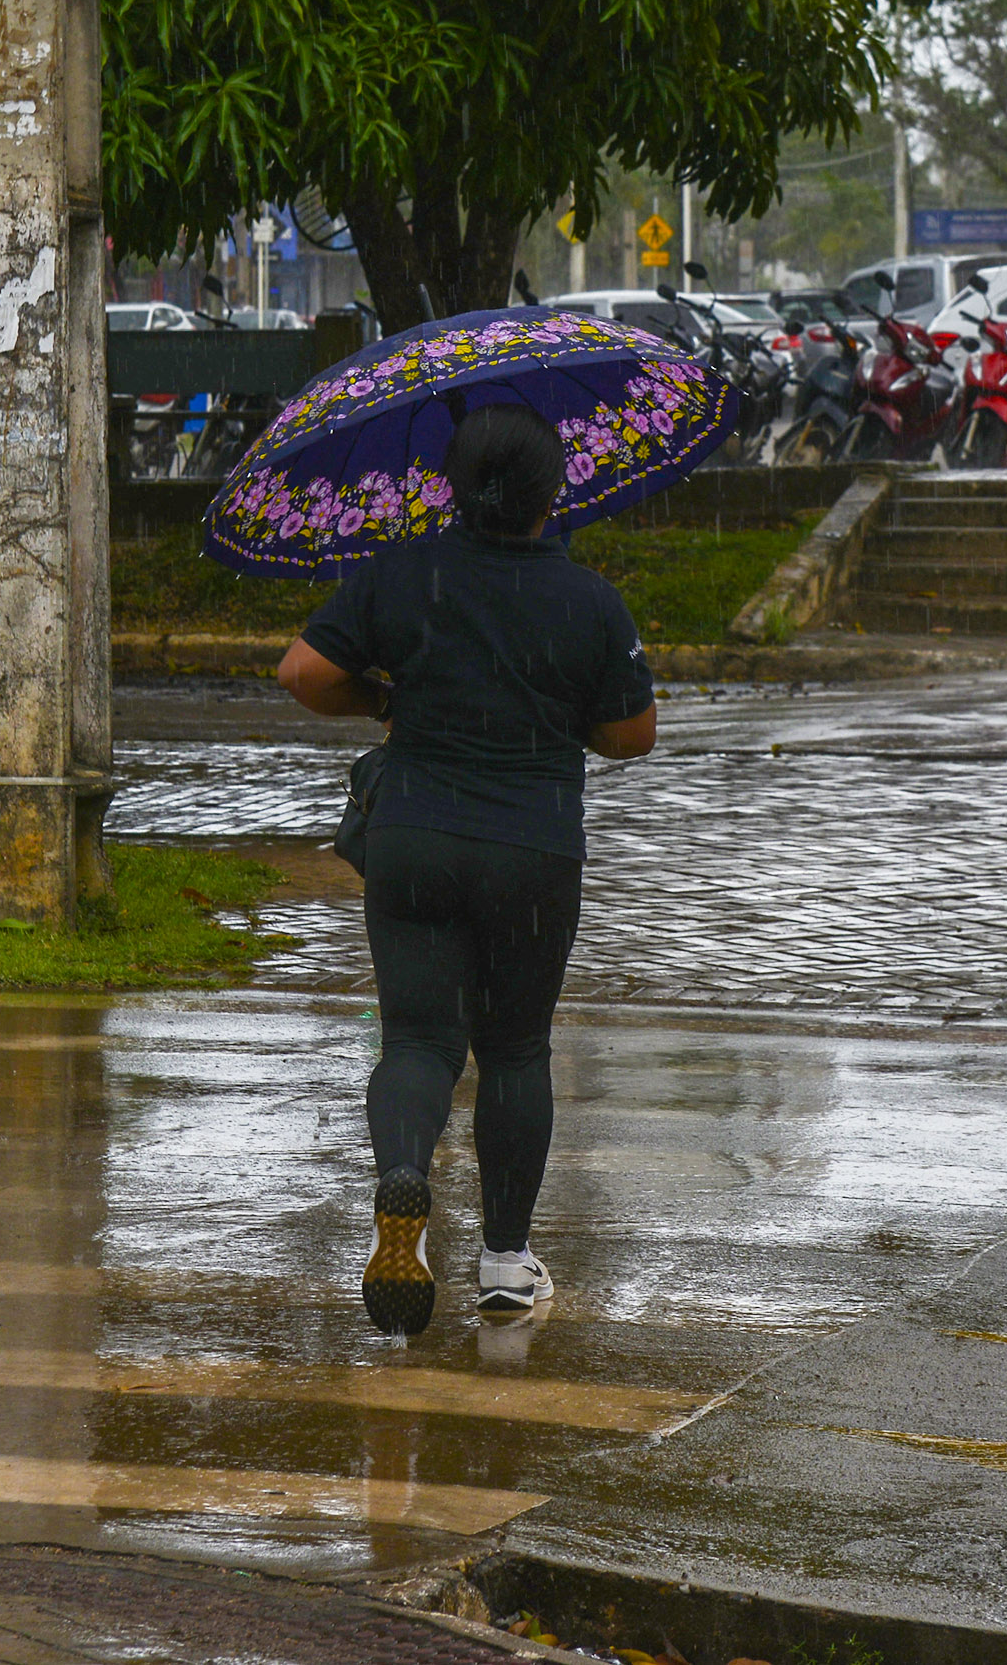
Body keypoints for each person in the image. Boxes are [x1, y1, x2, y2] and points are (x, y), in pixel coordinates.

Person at [274, 401, 657, 1334]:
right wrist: (555, 714)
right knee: (515, 1046)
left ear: (448, 486)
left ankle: (403, 1172)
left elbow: (301, 673)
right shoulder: (589, 600)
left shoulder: (402, 576)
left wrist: (384, 703)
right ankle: (504, 1263)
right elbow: (632, 735)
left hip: (413, 842)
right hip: (531, 849)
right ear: (553, 489)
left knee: (417, 1041)